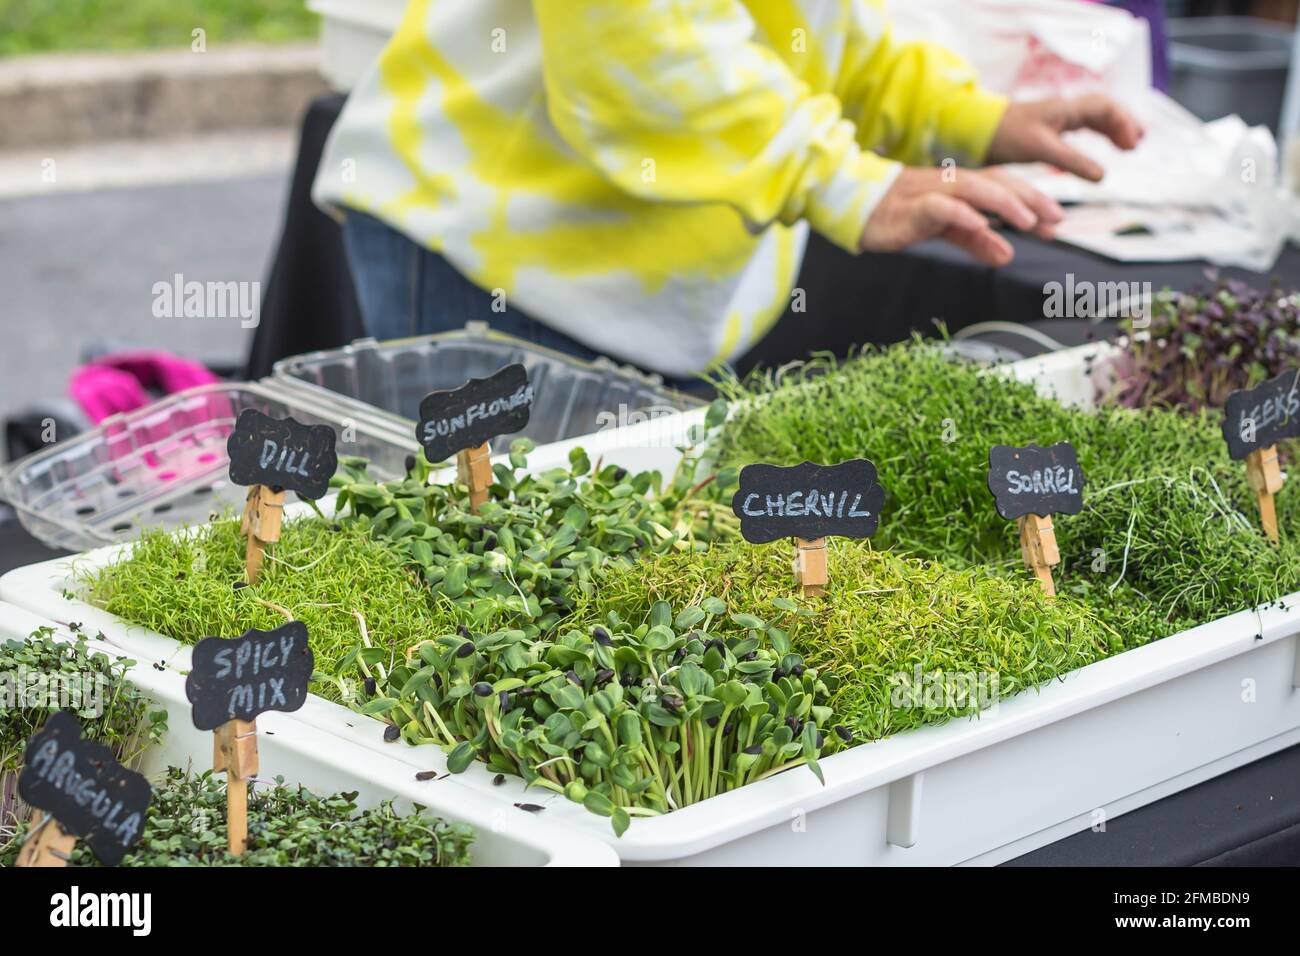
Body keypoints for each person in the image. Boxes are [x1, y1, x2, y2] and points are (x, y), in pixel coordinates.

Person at [314, 0, 1143, 384]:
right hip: (480, 235)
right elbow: (635, 38)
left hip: (636, 277)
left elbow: (820, 22)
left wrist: (972, 117)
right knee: (491, 588)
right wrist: (845, 180)